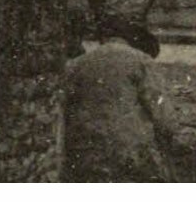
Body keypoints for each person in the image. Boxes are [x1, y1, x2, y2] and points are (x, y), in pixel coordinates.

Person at [62, 25, 177, 181]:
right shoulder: (141, 60)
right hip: (129, 148)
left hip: (84, 147)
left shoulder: (77, 63)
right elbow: (162, 114)